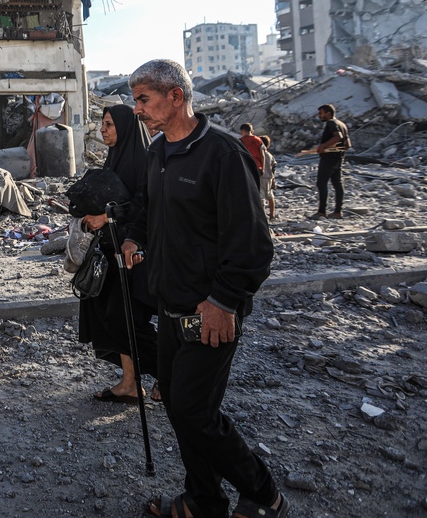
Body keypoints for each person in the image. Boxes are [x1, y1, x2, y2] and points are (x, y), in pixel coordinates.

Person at [121, 60, 287, 518]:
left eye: (143, 99)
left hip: (210, 309)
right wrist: (135, 237)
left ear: (175, 96)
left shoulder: (223, 153)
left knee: (195, 411)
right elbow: (149, 209)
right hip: (170, 305)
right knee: (179, 407)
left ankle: (265, 496)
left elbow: (253, 244)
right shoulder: (158, 151)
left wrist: (224, 301)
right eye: (135, 100)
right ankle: (204, 501)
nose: (137, 110)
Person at [79, 105, 159, 404]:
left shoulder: (145, 159)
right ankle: (130, 383)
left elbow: (145, 203)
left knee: (129, 320)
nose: (103, 129)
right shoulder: (115, 157)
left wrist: (106, 216)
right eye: (103, 124)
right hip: (111, 251)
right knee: (111, 317)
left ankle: (170, 374)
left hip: (134, 254)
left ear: (125, 128)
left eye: (109, 124)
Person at [306, 104, 348, 219]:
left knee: (321, 183)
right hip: (338, 158)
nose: (319, 116)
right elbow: (347, 145)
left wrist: (323, 146)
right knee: (337, 184)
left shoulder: (331, 123)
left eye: (321, 113)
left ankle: (322, 211)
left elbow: (338, 137)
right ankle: (338, 211)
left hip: (328, 159)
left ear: (328, 113)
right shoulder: (342, 124)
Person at [259, 136, 277, 220]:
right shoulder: (270, 155)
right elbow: (273, 168)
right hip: (269, 177)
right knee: (270, 196)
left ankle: (262, 216)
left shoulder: (259, 155)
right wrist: (273, 180)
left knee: (261, 197)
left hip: (261, 177)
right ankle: (272, 215)